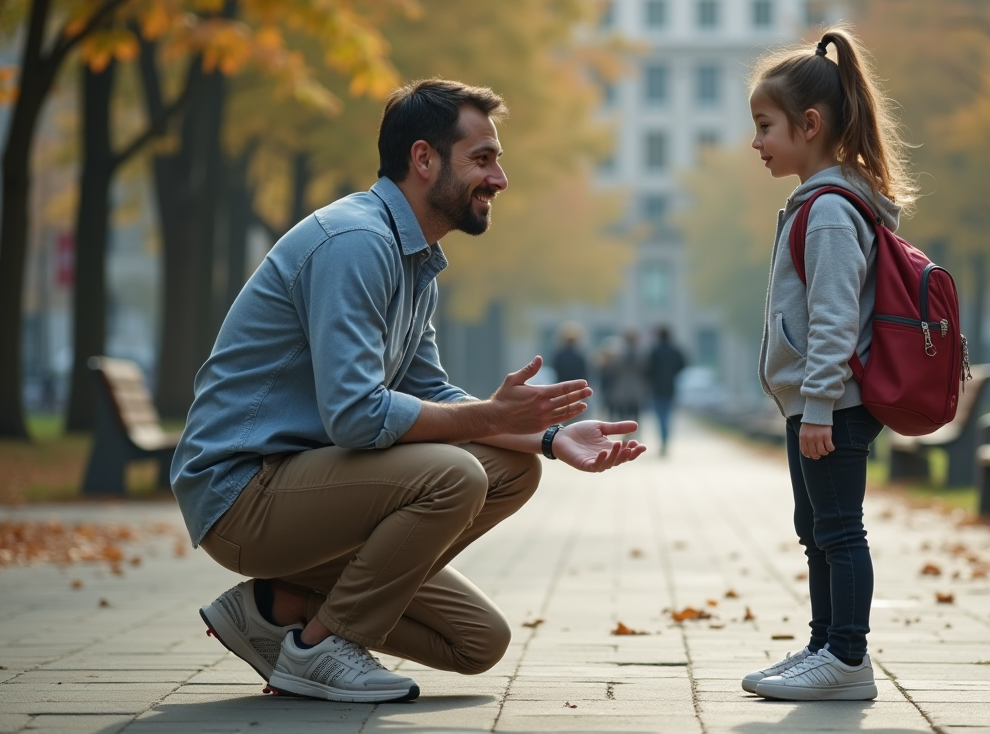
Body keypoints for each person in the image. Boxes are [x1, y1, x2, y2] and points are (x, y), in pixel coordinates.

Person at [171, 79, 646, 705]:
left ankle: (273, 603)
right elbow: (355, 416)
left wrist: (550, 438)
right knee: (456, 475)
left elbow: (433, 393)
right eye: (483, 159)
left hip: (308, 489)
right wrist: (488, 414)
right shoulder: (356, 244)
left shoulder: (414, 261)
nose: (500, 178)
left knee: (480, 629)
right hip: (241, 493)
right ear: (424, 159)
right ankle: (320, 648)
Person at [739, 29, 915, 702]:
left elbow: (836, 320)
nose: (756, 143)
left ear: (809, 125)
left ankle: (848, 657)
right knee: (814, 529)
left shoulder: (832, 213)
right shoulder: (817, 203)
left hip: (832, 405)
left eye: (765, 127)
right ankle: (823, 644)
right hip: (814, 404)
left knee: (839, 529)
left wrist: (817, 405)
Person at [644, 326, 687, 455]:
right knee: (668, 416)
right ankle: (666, 441)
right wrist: (673, 374)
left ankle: (663, 441)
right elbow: (683, 364)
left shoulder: (655, 351)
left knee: (660, 416)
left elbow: (648, 369)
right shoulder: (675, 350)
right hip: (670, 387)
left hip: (657, 388)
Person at [604, 330, 645, 437]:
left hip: (622, 388)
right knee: (636, 412)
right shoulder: (642, 354)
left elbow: (613, 370)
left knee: (625, 413)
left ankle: (627, 432)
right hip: (637, 388)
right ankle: (635, 431)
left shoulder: (619, 354)